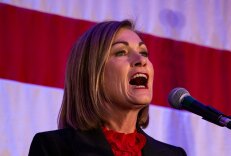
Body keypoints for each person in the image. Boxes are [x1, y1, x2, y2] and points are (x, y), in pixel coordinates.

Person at [28, 20, 187, 156]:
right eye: (121, 52)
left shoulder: (173, 154)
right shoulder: (53, 148)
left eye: (144, 53)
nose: (141, 60)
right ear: (92, 73)